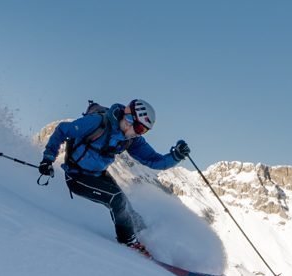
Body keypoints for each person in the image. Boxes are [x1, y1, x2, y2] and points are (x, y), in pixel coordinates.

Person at [38, 99, 190, 257]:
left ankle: (145, 235)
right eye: (138, 128)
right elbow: (62, 130)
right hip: (77, 176)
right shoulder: (97, 123)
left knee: (126, 206)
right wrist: (47, 159)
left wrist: (176, 156)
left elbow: (153, 160)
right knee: (116, 199)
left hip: (98, 174)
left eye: (144, 131)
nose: (138, 133)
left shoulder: (131, 139)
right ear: (129, 117)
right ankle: (129, 242)